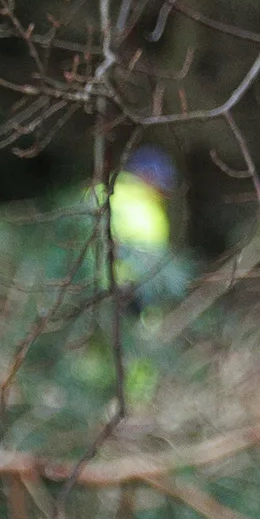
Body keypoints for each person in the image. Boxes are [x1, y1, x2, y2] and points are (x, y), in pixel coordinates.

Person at [95, 146, 185, 402]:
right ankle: (132, 402)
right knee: (136, 348)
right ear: (146, 176)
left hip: (107, 288)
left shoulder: (103, 193)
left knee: (101, 348)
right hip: (130, 291)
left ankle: (109, 400)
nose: (164, 191)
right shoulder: (139, 205)